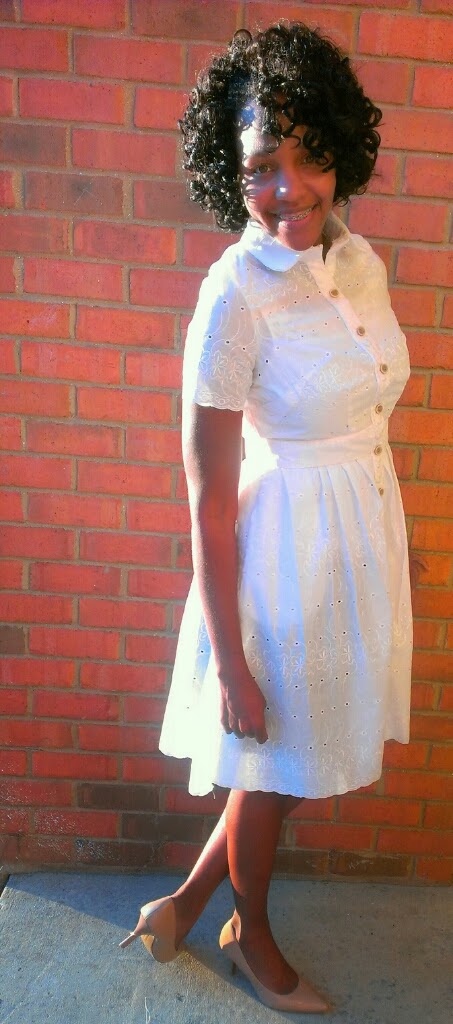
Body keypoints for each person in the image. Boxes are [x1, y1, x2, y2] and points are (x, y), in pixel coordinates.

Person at [120, 22, 415, 1013]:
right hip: (281, 561)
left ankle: (179, 907)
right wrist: (232, 664)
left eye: (307, 156)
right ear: (229, 174)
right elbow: (205, 495)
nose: (287, 187)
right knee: (272, 761)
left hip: (355, 545)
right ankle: (249, 932)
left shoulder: (359, 263)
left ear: (341, 150)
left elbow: (366, 410)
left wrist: (384, 535)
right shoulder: (232, 295)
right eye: (259, 167)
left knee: (279, 768)